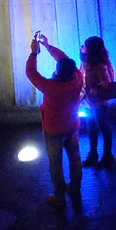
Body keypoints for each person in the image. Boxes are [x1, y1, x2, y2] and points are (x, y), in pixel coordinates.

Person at [25, 32, 85, 209]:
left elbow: (31, 73)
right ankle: (75, 189)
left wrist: (34, 53)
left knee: (55, 164)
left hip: (53, 130)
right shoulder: (78, 78)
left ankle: (59, 197)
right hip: (72, 126)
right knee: (75, 158)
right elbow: (65, 59)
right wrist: (47, 45)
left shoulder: (51, 87)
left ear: (57, 72)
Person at [79, 36, 116, 170]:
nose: (81, 47)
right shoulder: (85, 61)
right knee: (91, 128)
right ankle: (93, 154)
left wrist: (97, 88)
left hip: (98, 103)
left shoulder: (100, 65)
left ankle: (107, 155)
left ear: (91, 50)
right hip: (87, 102)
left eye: (84, 46)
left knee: (103, 126)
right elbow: (81, 75)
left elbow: (107, 83)